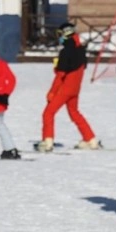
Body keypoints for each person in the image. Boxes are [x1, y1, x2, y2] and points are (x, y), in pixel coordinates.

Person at [36, 22, 100, 152]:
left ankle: (47, 141)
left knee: (48, 113)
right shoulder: (81, 49)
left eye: (60, 34)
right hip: (76, 88)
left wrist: (52, 92)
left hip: (65, 88)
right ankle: (90, 139)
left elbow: (60, 75)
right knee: (74, 113)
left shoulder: (66, 51)